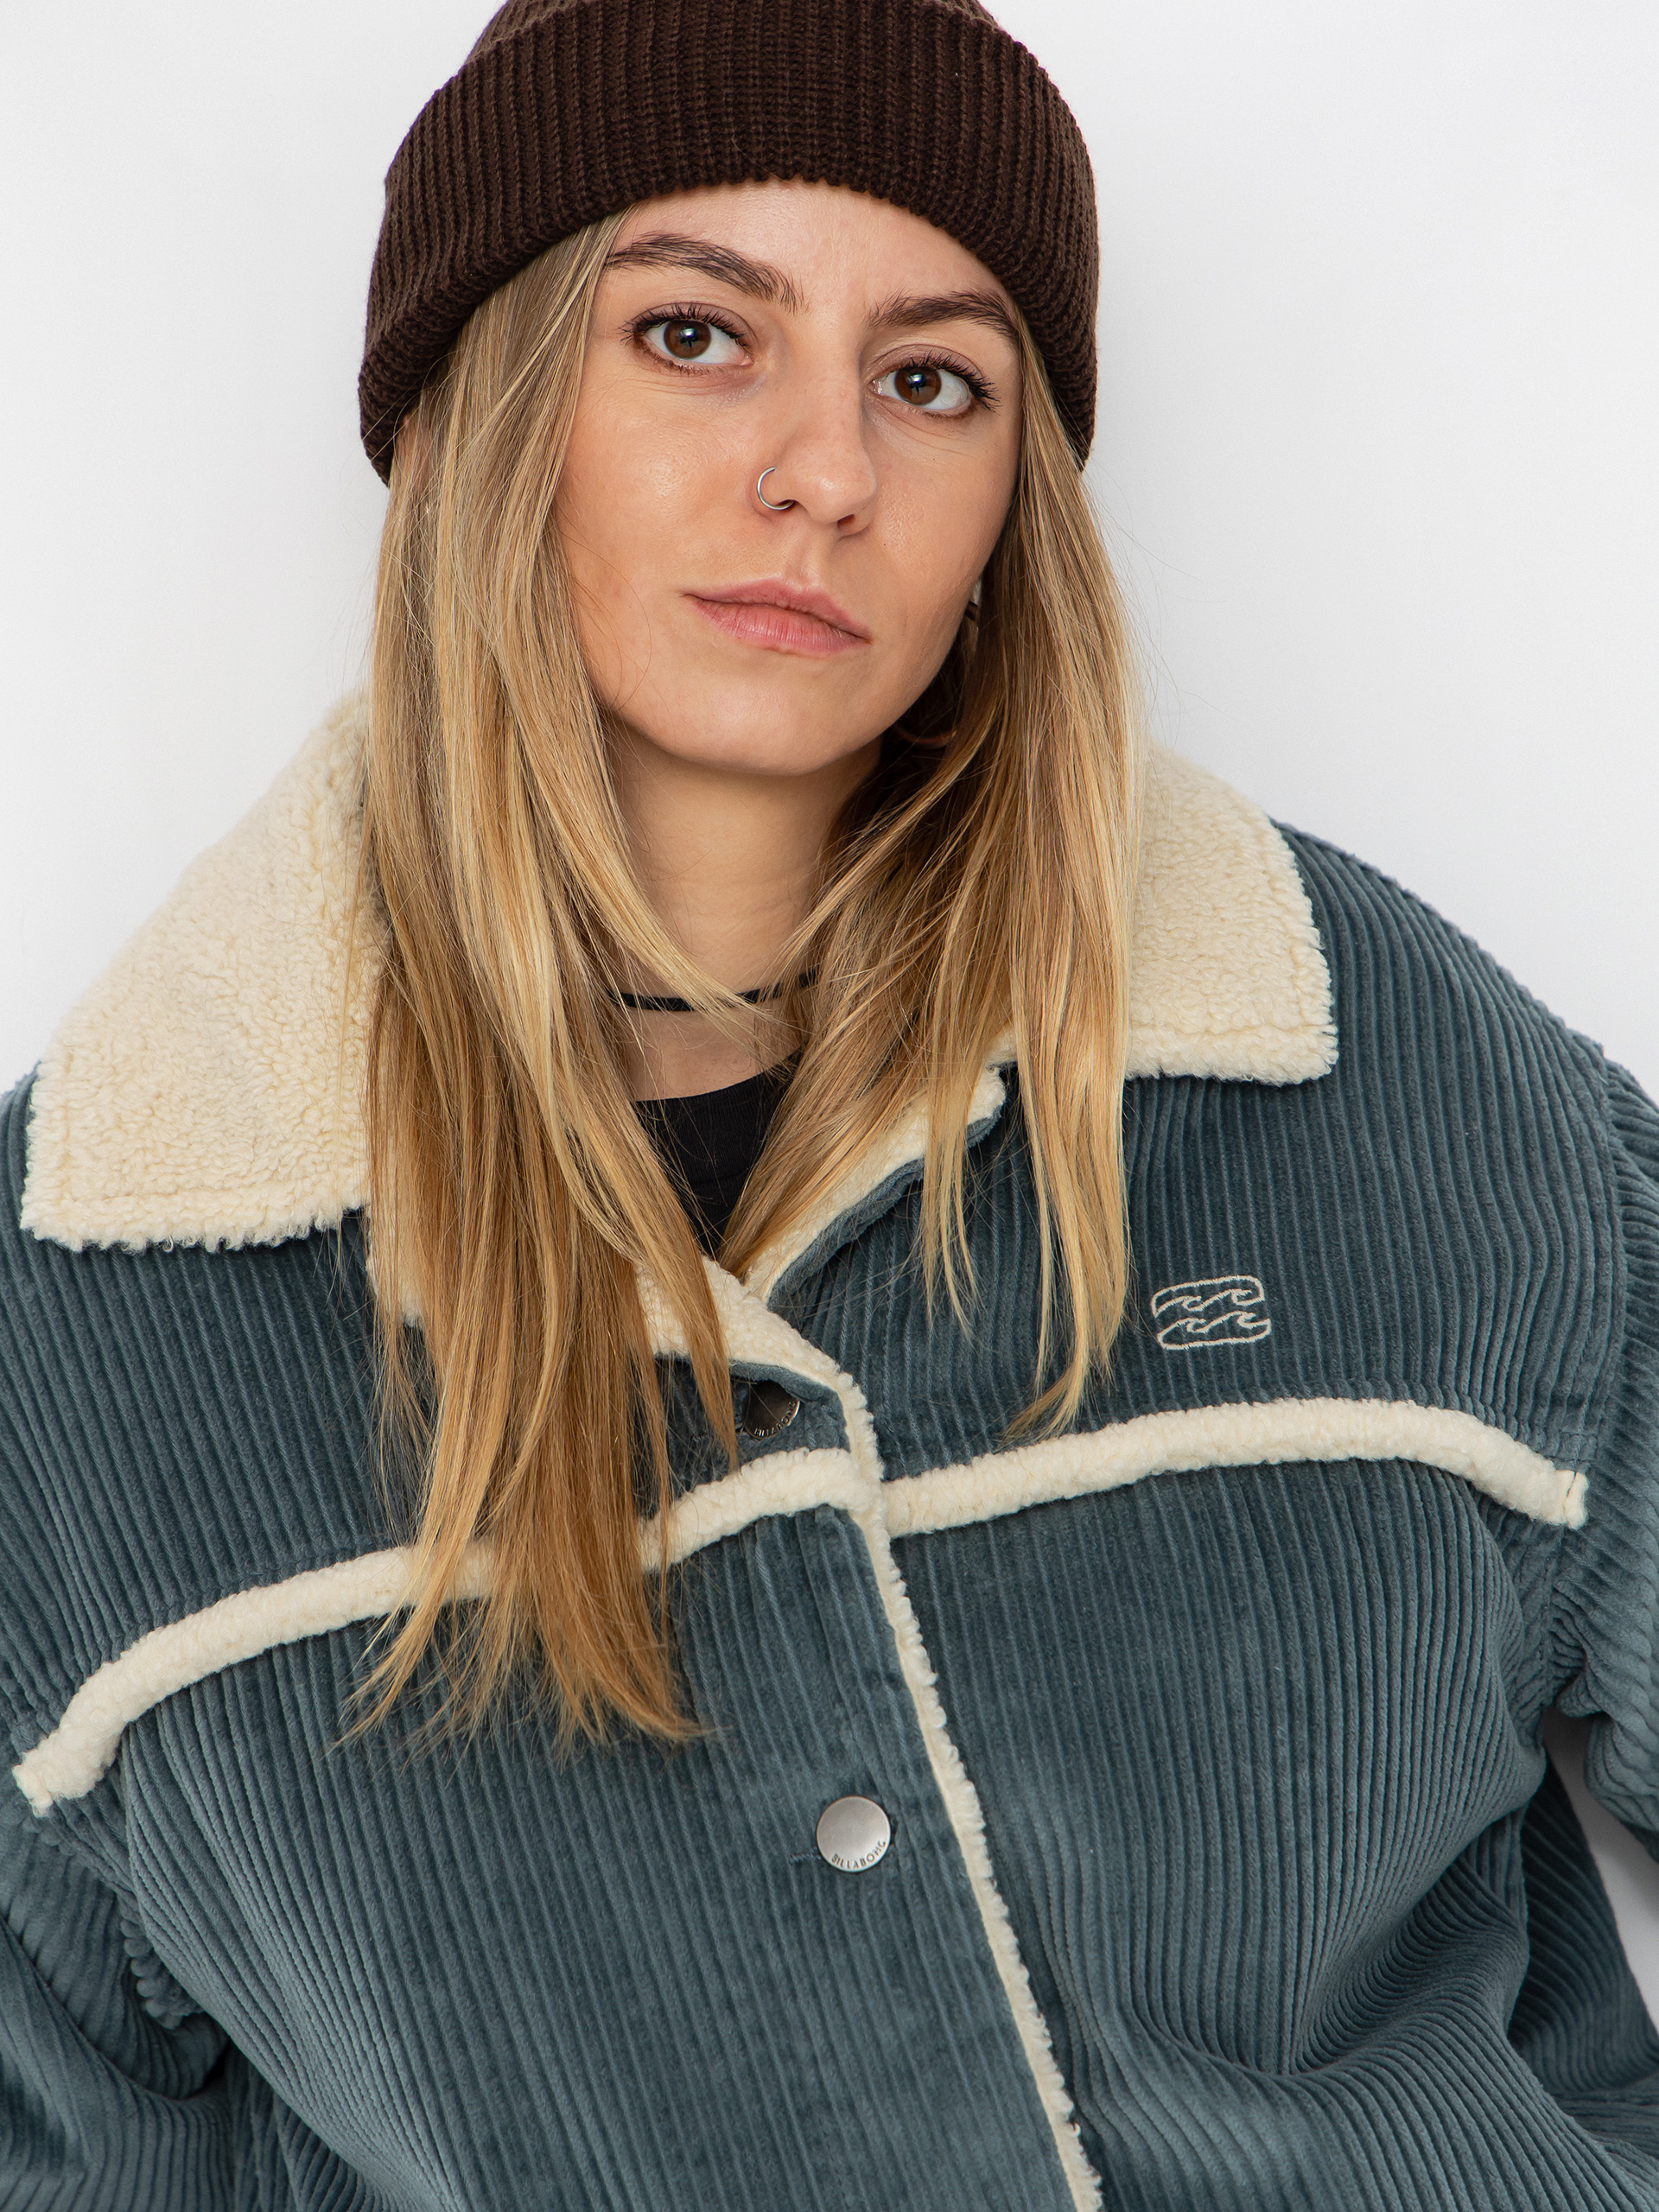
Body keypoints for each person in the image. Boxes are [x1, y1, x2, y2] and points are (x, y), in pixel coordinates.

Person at [3, 0, 1658, 2205]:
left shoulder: (1383, 1075)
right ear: (484, 406)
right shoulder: (82, 1316)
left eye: (933, 378)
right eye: (696, 334)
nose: (827, 470)